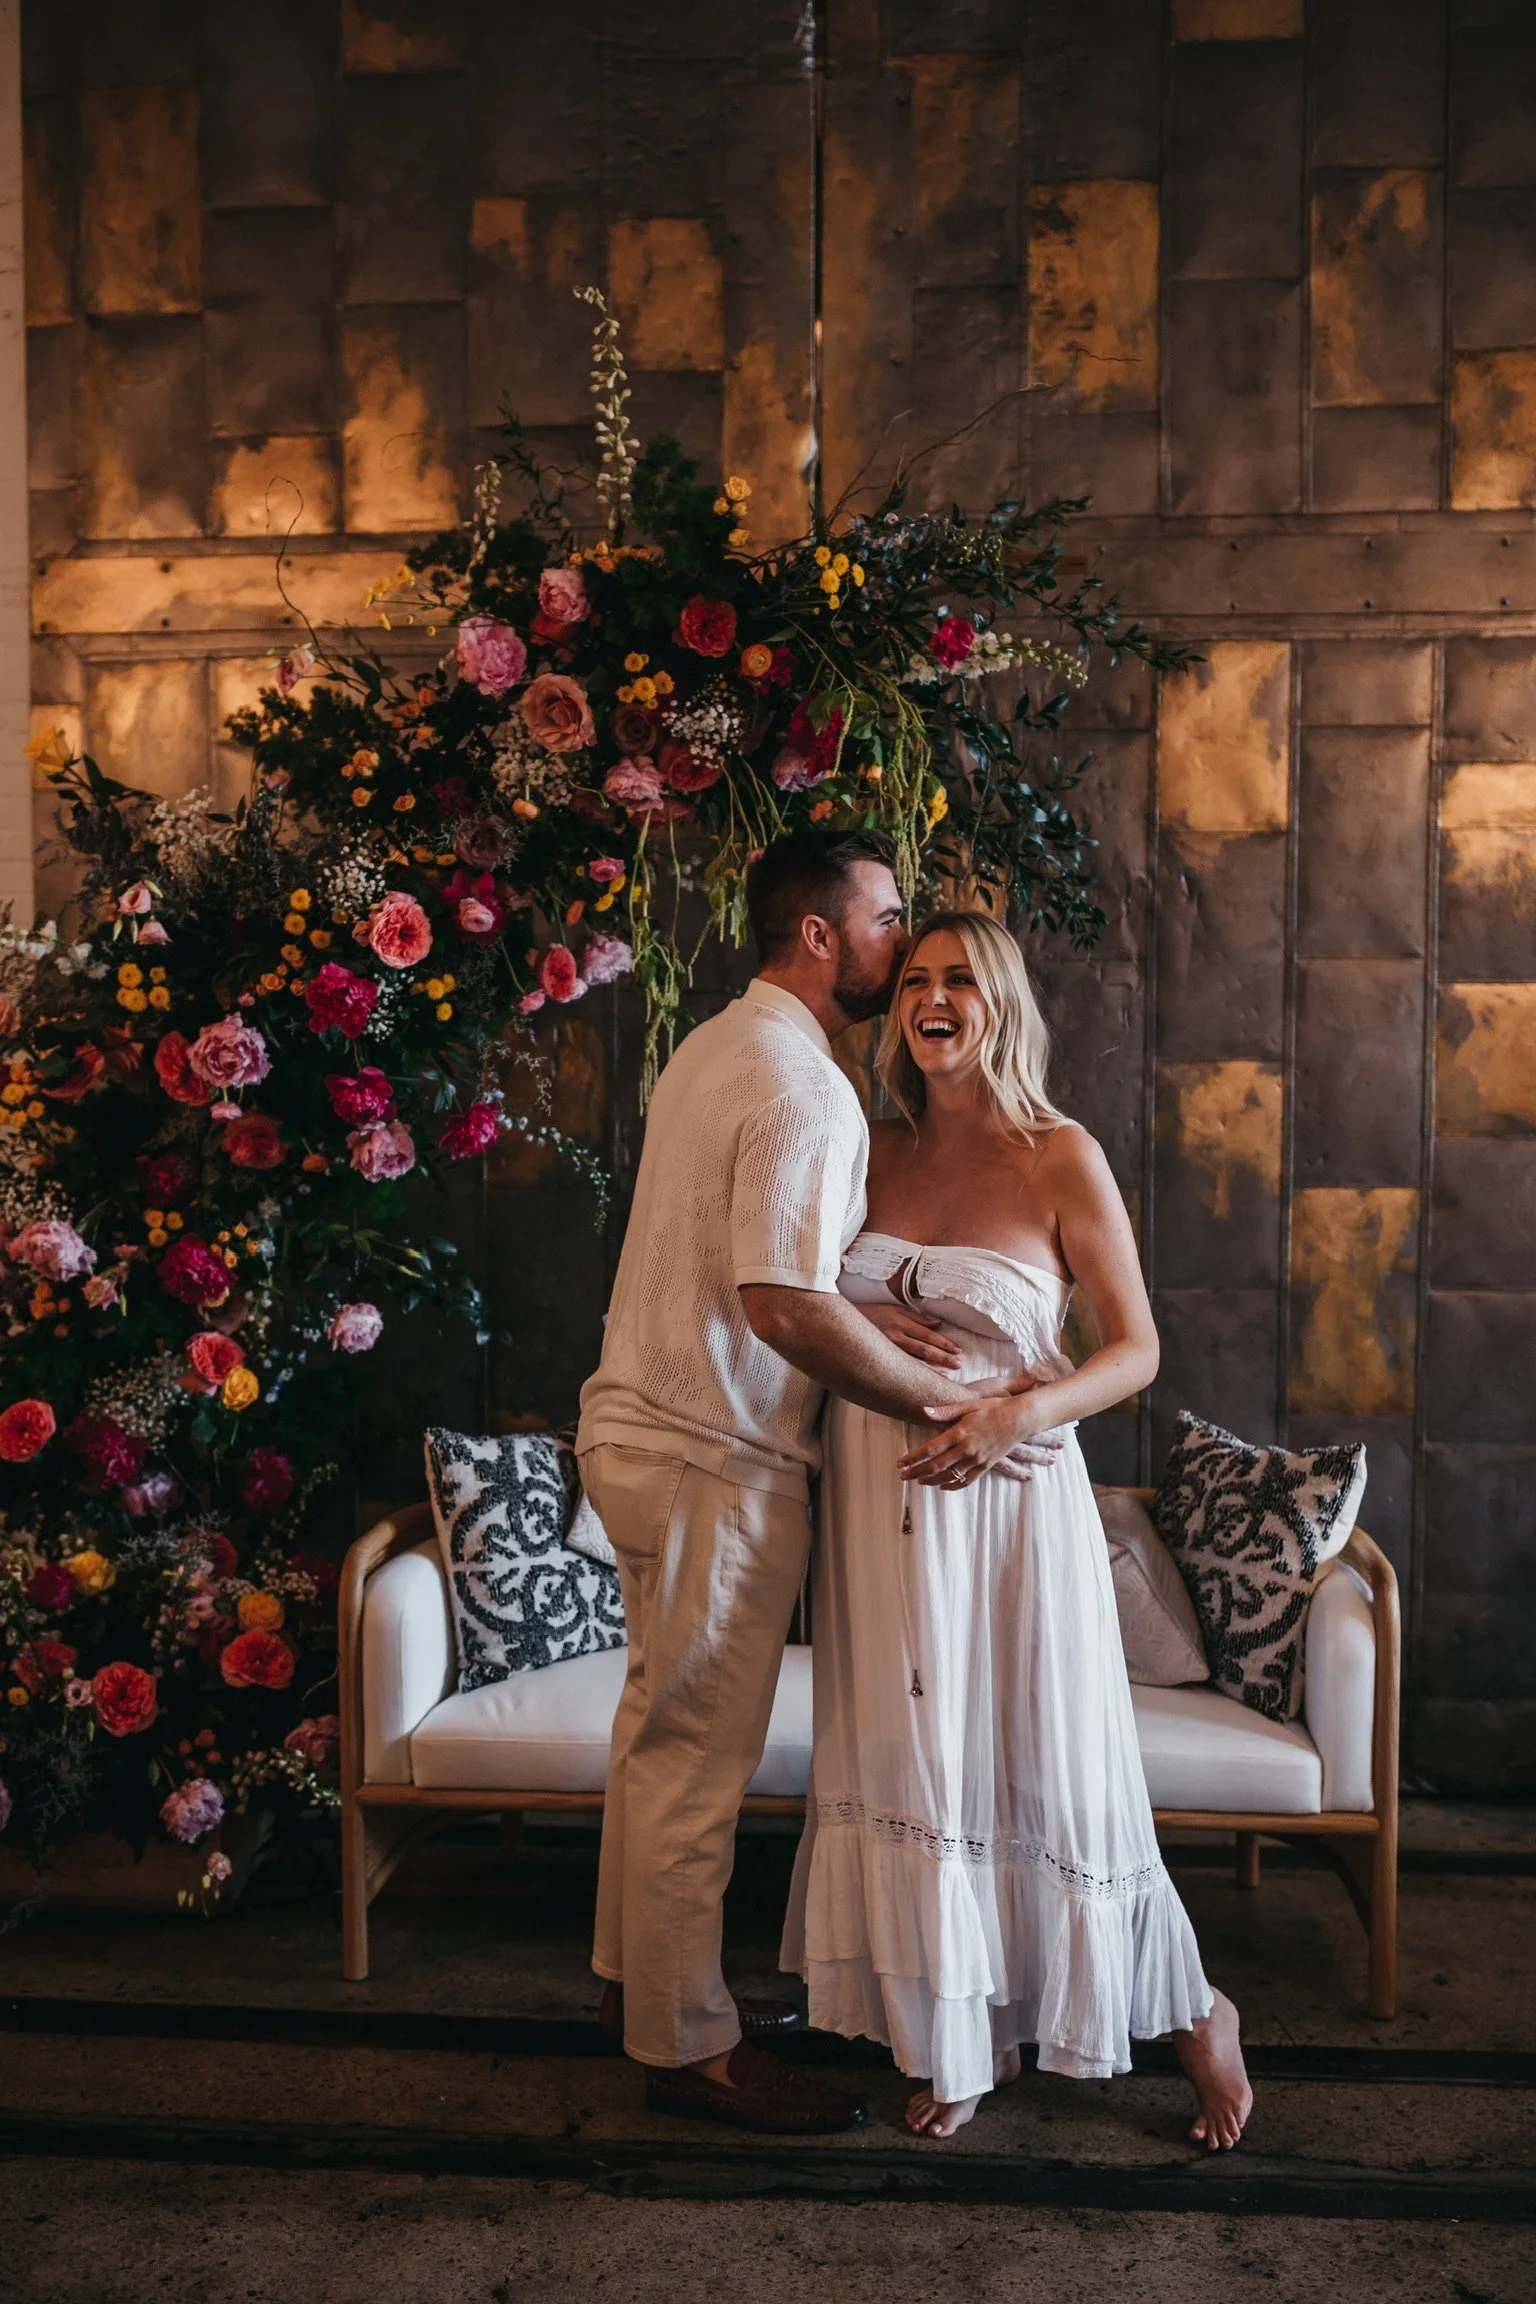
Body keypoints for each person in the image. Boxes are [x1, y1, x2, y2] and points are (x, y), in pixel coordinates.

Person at [575, 834, 1058, 2134]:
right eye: (890, 918)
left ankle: (641, 1989)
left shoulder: (718, 1049)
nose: (906, 943)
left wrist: (878, 1307)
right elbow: (780, 1301)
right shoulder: (807, 1085)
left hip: (643, 1440)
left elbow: (782, 1270)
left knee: (653, 1738)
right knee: (693, 1763)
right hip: (710, 1458)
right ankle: (690, 2049)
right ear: (823, 938)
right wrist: (953, 1405)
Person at [779, 908, 1253, 2150]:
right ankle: (960, 2036)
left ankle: (1198, 2012)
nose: (936, 998)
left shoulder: (1058, 1155)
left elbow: (1137, 1349)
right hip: (877, 1504)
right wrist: (867, 1328)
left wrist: (1015, 1415)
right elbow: (801, 1297)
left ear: (1003, 1006)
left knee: (1049, 1764)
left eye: (964, 982)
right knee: (918, 1760)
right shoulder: (861, 1146)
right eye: (918, 979)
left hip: (1009, 1505)